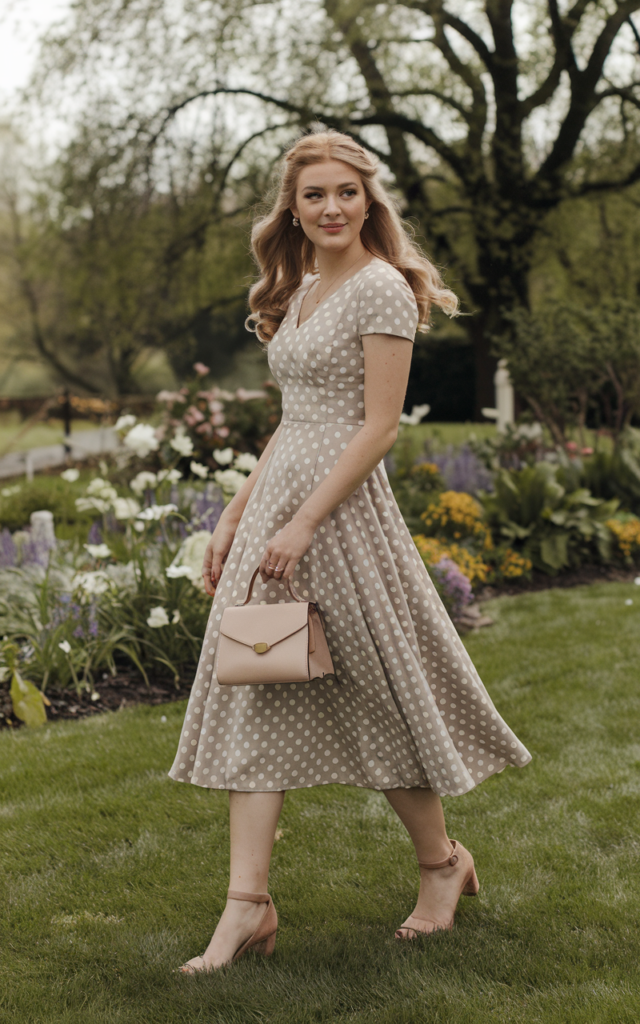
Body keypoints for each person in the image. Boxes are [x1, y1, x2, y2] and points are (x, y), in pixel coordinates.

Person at [170, 129, 531, 973]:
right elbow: (293, 422)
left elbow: (376, 429)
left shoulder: (379, 290)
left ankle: (443, 867)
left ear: (369, 200)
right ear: (290, 211)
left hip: (340, 525)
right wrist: (237, 515)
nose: (331, 208)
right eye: (313, 195)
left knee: (382, 698)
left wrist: (304, 524)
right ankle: (246, 907)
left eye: (345, 192)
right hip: (275, 524)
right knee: (257, 689)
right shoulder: (295, 292)